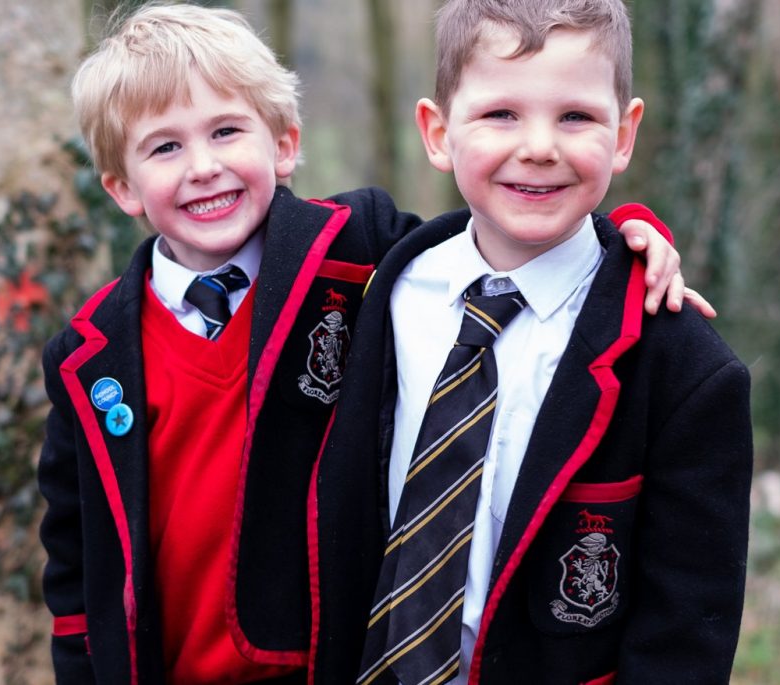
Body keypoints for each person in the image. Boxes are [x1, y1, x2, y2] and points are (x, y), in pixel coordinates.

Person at [35, 3, 707, 683]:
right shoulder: (88, 355)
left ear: (286, 145)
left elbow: (513, 230)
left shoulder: (353, 252)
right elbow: (74, 557)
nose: (204, 166)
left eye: (227, 131)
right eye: (165, 147)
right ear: (122, 186)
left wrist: (631, 231)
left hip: (322, 659)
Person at [309, 0, 754, 683]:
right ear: (436, 130)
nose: (540, 146)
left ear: (625, 132)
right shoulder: (375, 280)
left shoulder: (683, 368)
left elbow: (687, 631)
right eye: (500, 114)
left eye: (575, 116)